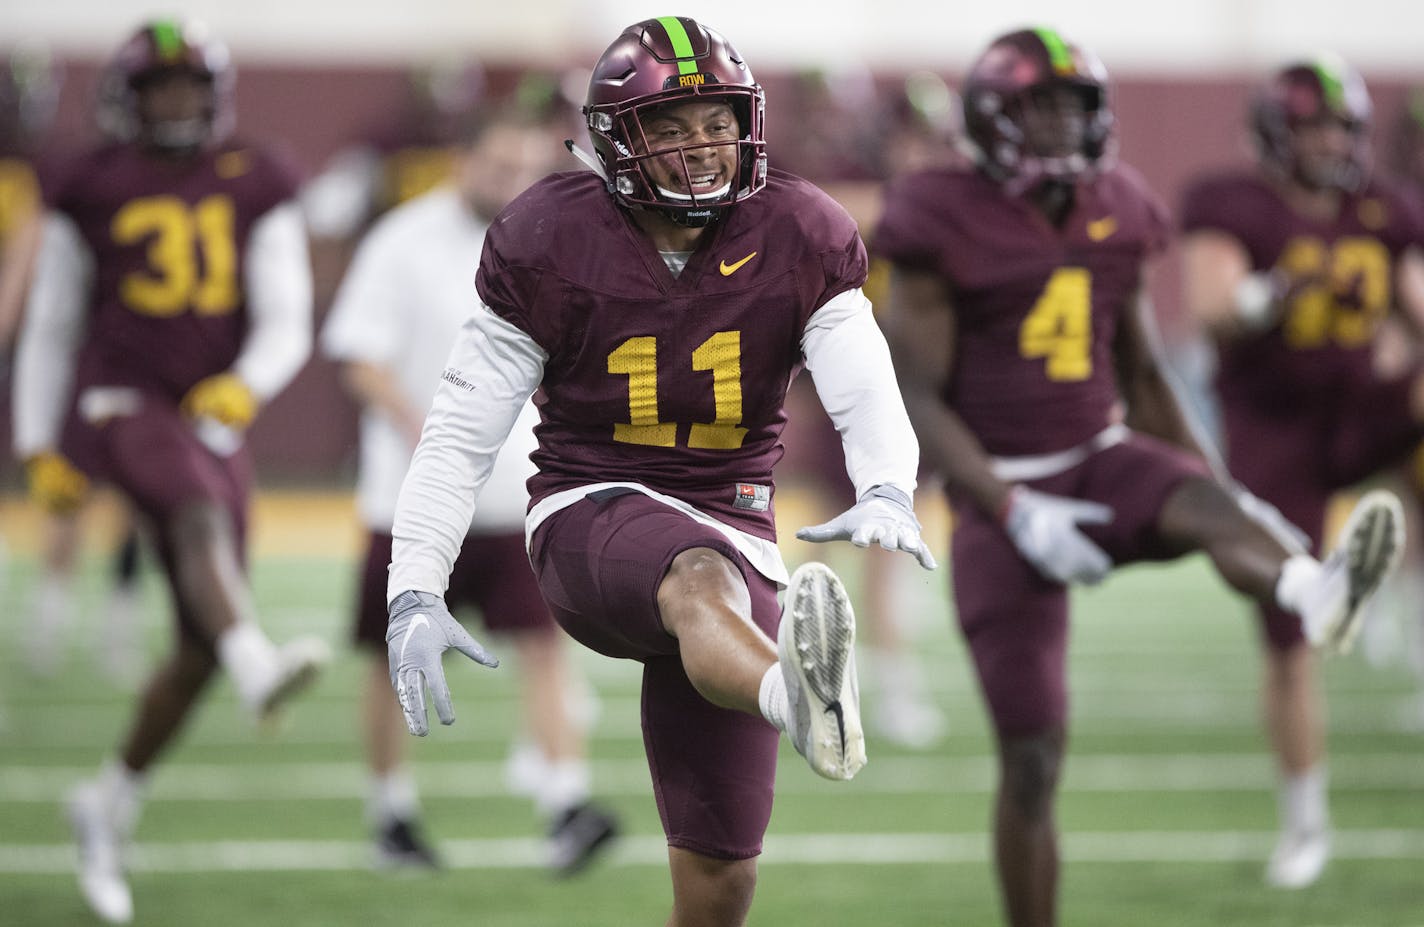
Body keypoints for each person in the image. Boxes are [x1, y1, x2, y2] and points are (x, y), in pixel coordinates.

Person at [383, 16, 935, 926]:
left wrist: (886, 484)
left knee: (720, 885)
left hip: (734, 529)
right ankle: (795, 692)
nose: (700, 147)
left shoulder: (799, 228)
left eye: (715, 122)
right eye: (668, 128)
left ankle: (780, 685)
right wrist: (413, 587)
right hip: (588, 511)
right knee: (693, 575)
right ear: (614, 143)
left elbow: (861, 377)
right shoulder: (547, 235)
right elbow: (457, 437)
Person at [874, 28, 1405, 927]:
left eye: (1074, 110)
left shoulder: (1115, 201)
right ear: (993, 116)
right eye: (1042, 109)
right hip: (1000, 486)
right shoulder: (937, 212)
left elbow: (1146, 373)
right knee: (1034, 756)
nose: (1062, 129)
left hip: (1099, 451)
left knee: (1204, 504)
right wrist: (1008, 506)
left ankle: (1313, 586)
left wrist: (1223, 485)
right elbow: (914, 392)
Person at [10, 20, 329, 924]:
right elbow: (54, 324)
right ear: (127, 99)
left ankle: (107, 803)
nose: (176, 106)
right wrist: (38, 441)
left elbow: (285, 313)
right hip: (121, 400)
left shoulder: (252, 176)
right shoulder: (91, 184)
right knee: (192, 522)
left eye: (189, 89)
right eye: (159, 91)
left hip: (209, 411)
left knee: (193, 643)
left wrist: (246, 385)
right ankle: (258, 661)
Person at [321, 103, 618, 873]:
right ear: (460, 160)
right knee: (395, 657)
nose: (512, 181)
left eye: (525, 168)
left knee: (546, 645)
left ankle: (565, 802)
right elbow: (359, 354)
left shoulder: (546, 241)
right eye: (498, 165)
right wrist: (422, 430)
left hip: (515, 491)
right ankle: (391, 813)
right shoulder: (403, 239)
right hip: (415, 498)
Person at [1179, 53, 1424, 849]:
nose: (1327, 142)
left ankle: (1397, 592)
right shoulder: (1231, 204)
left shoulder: (1385, 210)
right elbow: (1213, 308)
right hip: (1272, 427)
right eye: (1311, 126)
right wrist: (1279, 290)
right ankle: (1305, 824)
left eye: (1338, 127)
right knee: (1289, 639)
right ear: (1274, 133)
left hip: (1359, 408)